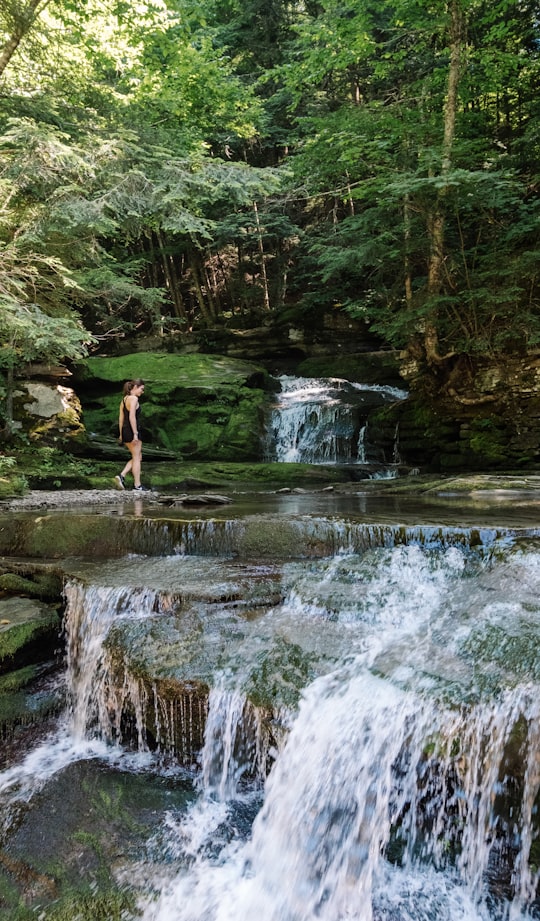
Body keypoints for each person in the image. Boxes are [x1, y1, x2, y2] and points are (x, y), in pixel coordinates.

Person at [115, 379, 146, 491]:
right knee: (137, 458)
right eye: (141, 389)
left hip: (125, 431)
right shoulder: (133, 398)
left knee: (138, 456)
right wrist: (135, 434)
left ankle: (121, 476)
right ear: (135, 387)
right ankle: (137, 486)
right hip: (133, 431)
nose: (142, 392)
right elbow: (132, 416)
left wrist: (121, 434)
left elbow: (121, 419)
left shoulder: (124, 400)